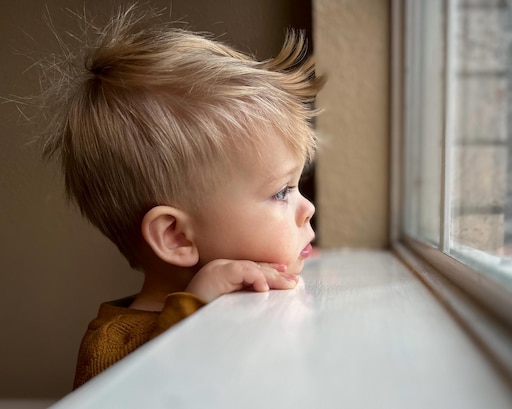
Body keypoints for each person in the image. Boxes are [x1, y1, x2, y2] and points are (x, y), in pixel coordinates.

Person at [38, 5, 325, 389]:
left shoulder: (244, 299)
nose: (308, 208)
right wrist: (195, 314)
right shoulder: (112, 347)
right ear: (176, 236)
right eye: (280, 192)